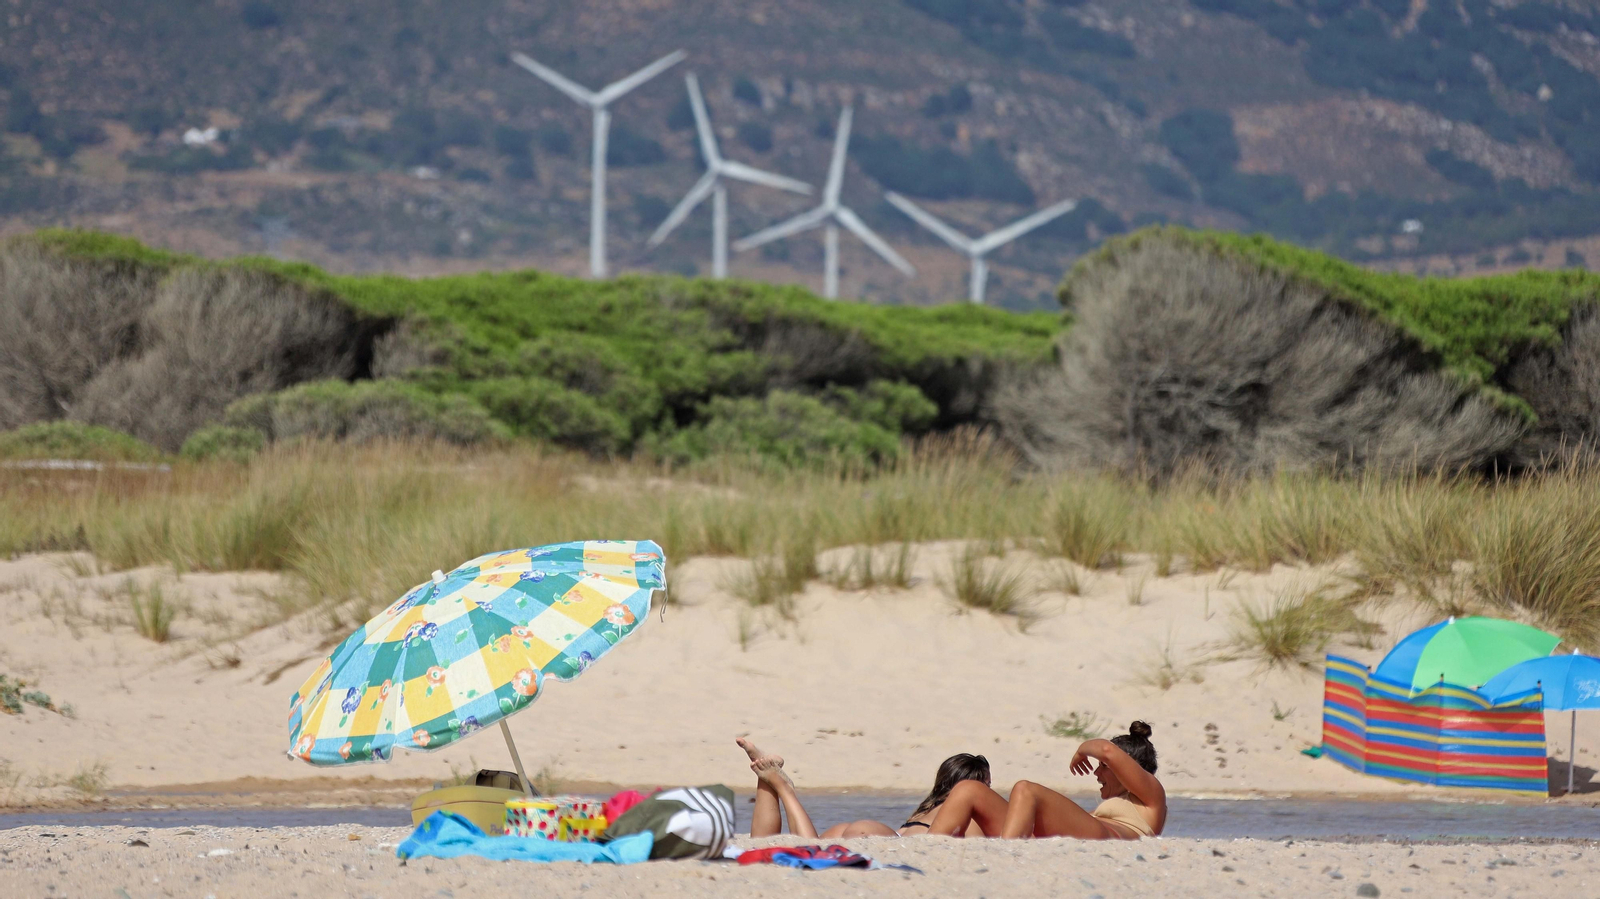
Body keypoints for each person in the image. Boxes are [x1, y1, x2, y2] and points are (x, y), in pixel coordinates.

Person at [922, 720, 1166, 840]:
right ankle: (931, 849)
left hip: (1109, 839)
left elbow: (1106, 750)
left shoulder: (1151, 796)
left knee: (1026, 790)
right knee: (969, 789)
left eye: (1103, 767)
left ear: (1128, 770)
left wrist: (1082, 749)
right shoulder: (1108, 809)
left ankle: (1006, 854)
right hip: (1080, 834)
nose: (1096, 773)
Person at [737, 737, 989, 838]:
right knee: (808, 852)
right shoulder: (969, 812)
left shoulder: (928, 808)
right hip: (875, 835)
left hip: (870, 831)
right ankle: (784, 789)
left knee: (765, 847)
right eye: (987, 785)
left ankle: (765, 777)